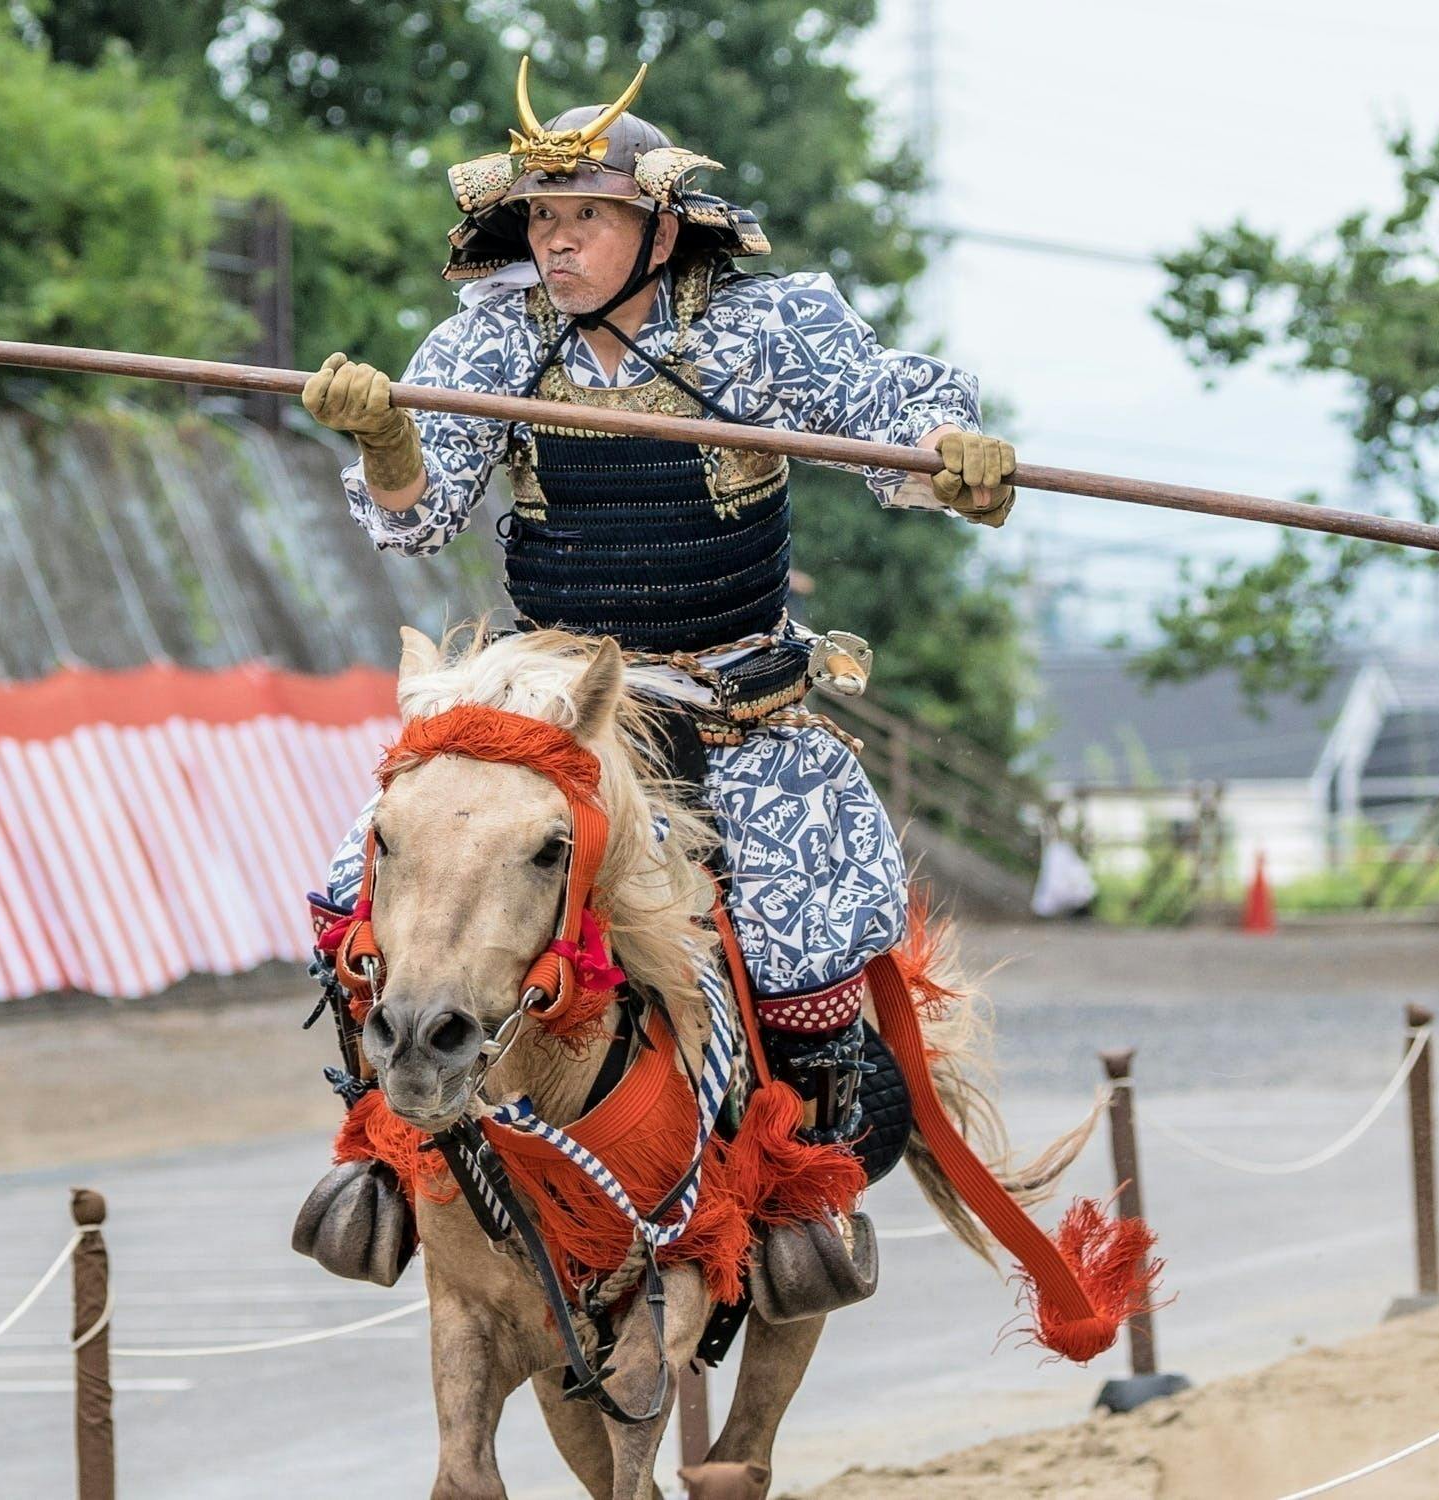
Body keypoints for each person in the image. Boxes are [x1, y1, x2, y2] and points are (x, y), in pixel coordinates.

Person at [302, 61, 1016, 1173]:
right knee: (359, 897)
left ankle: (800, 1175)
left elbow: (897, 416)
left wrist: (955, 456)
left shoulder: (766, 327)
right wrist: (384, 440)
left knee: (800, 949)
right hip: (558, 702)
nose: (557, 242)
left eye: (588, 216)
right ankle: (393, 1162)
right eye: (543, 217)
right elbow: (415, 517)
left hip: (738, 700)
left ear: (664, 227)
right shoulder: (488, 340)